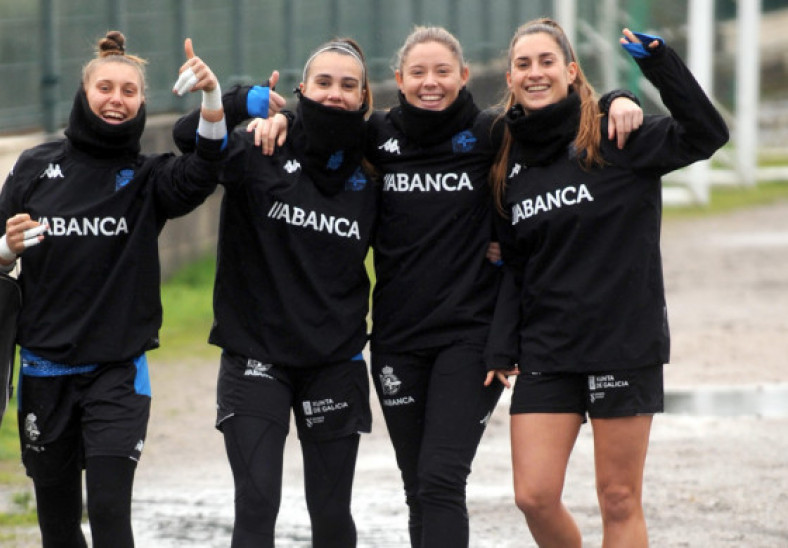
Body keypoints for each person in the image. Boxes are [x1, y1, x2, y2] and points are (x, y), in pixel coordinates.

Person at [250, 26, 643, 548]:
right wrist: (276, 115)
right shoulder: (377, 136)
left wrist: (618, 97)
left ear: (463, 76)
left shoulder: (492, 134)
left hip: (469, 340)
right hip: (396, 341)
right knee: (418, 488)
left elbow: (558, 119)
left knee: (440, 481)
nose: (429, 83)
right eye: (417, 73)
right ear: (398, 81)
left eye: (442, 72)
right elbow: (326, 125)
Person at [484, 20, 729, 547]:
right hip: (548, 348)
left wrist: (656, 67)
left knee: (618, 498)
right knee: (534, 496)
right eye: (523, 64)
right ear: (509, 77)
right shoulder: (506, 155)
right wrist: (502, 345)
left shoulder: (618, 134)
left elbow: (709, 134)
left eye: (547, 61)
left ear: (571, 71)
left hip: (622, 344)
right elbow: (515, 266)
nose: (535, 72)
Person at [0, 31, 227, 547]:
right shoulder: (34, 167)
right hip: (44, 374)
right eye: (106, 88)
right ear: (84, 93)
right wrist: (7, 248)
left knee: (112, 516)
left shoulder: (146, 178)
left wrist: (211, 98)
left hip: (117, 374)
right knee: (59, 527)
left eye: (130, 92)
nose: (117, 100)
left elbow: (204, 171)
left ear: (142, 102)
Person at [173, 38, 378, 548]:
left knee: (331, 514)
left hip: (334, 359)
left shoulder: (376, 164)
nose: (335, 94)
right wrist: (238, 100)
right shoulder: (261, 145)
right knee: (258, 503)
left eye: (348, 85)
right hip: (255, 357)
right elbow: (188, 139)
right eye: (324, 83)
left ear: (363, 98)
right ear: (301, 89)